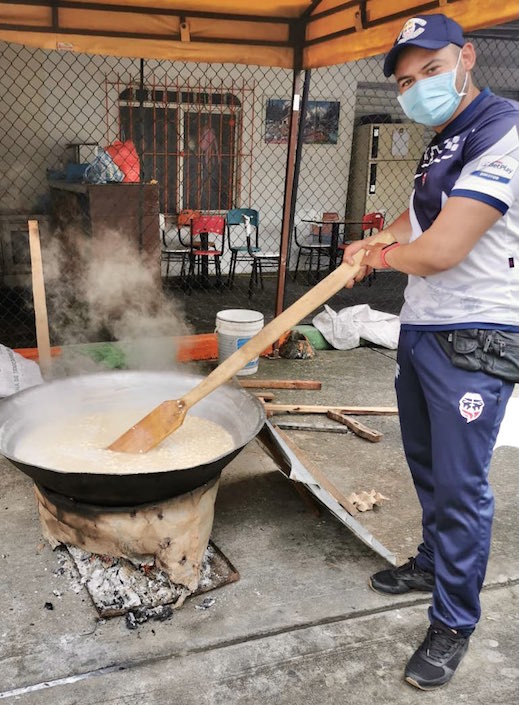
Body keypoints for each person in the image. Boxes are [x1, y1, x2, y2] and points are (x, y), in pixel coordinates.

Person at [343, 13, 519, 691]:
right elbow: (418, 219)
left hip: (475, 333)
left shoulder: (502, 130)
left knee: (459, 482)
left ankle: (452, 620)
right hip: (422, 323)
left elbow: (441, 250)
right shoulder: (443, 138)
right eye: (406, 80)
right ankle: (430, 561)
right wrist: (373, 240)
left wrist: (383, 255)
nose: (416, 87)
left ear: (466, 57)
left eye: (430, 71)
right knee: (425, 463)